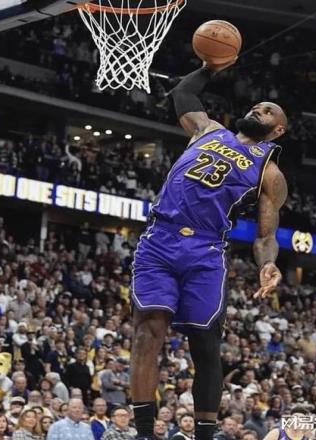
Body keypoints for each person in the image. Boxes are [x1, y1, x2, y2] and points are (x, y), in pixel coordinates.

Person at [130, 59, 288, 440]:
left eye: (267, 111)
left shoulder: (269, 172)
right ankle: (144, 433)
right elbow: (183, 92)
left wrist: (268, 264)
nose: (258, 109)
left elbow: (266, 236)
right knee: (148, 330)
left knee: (204, 344)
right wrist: (209, 67)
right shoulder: (209, 130)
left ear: (278, 129)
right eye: (257, 105)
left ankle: (204, 435)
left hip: (205, 250)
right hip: (160, 239)